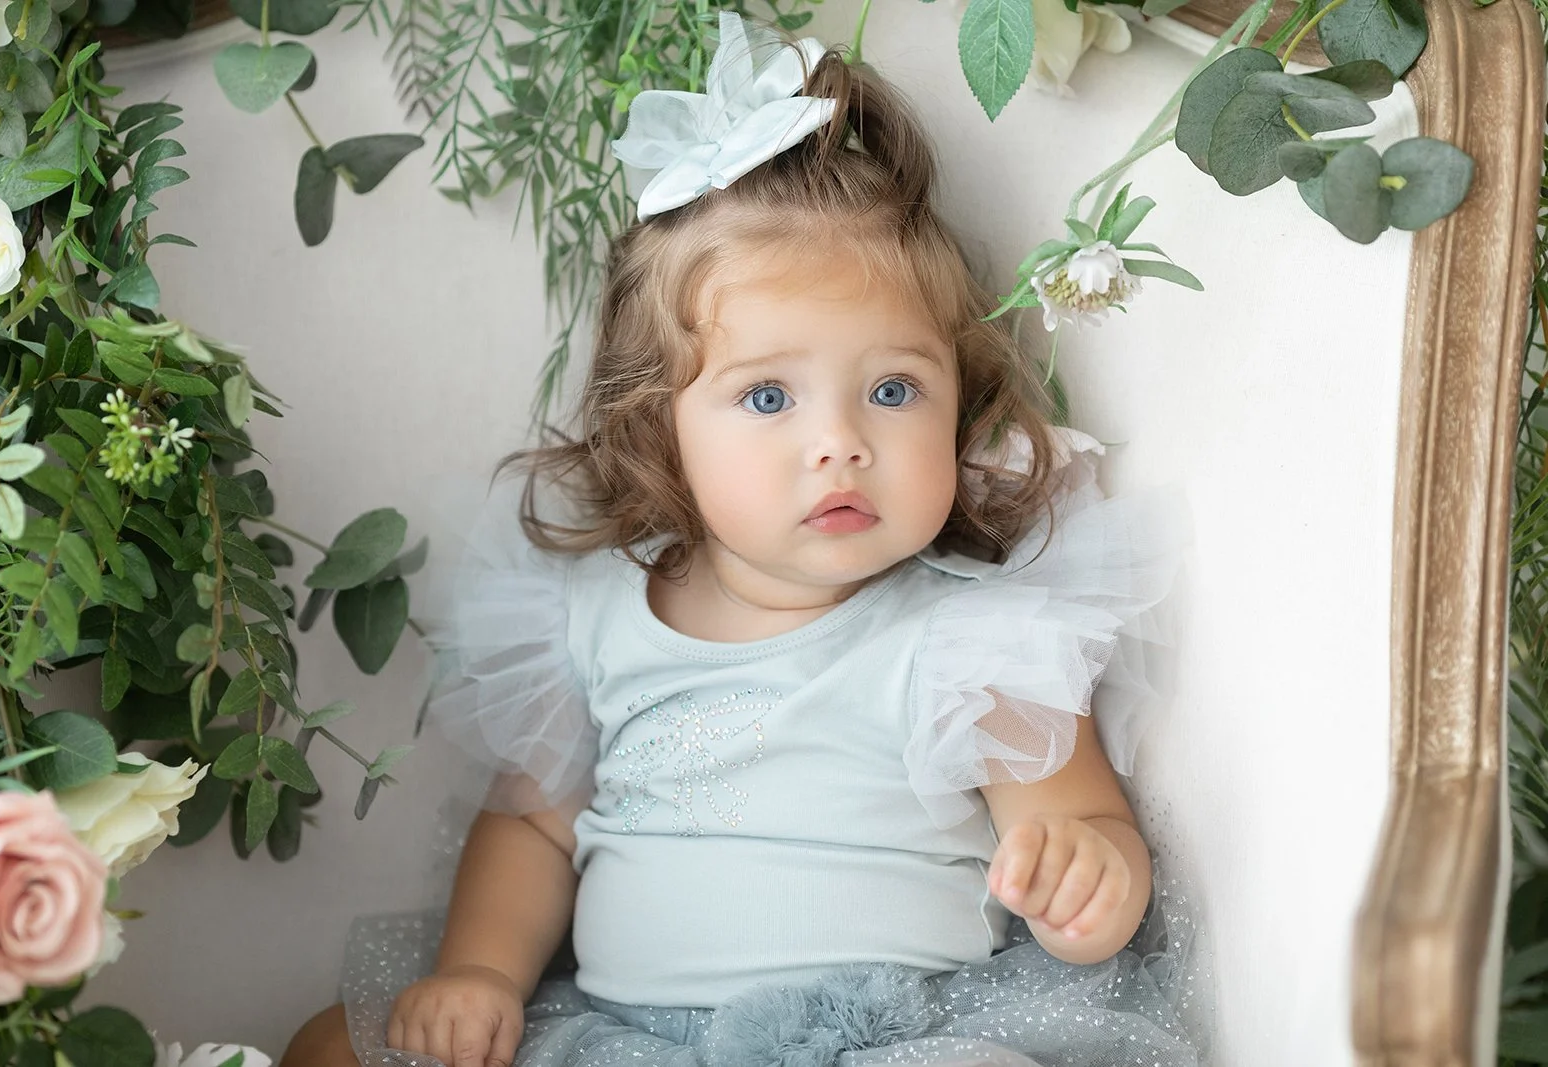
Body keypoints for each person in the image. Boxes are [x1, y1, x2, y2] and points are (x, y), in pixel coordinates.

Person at [281, 12, 1199, 1067]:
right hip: (627, 1042)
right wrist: (481, 971)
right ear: (657, 426)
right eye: (767, 395)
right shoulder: (588, 617)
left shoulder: (973, 635)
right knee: (333, 1044)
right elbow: (533, 829)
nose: (839, 444)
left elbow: (1087, 819)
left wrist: (1086, 879)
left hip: (898, 1033)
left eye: (893, 389)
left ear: (957, 404)